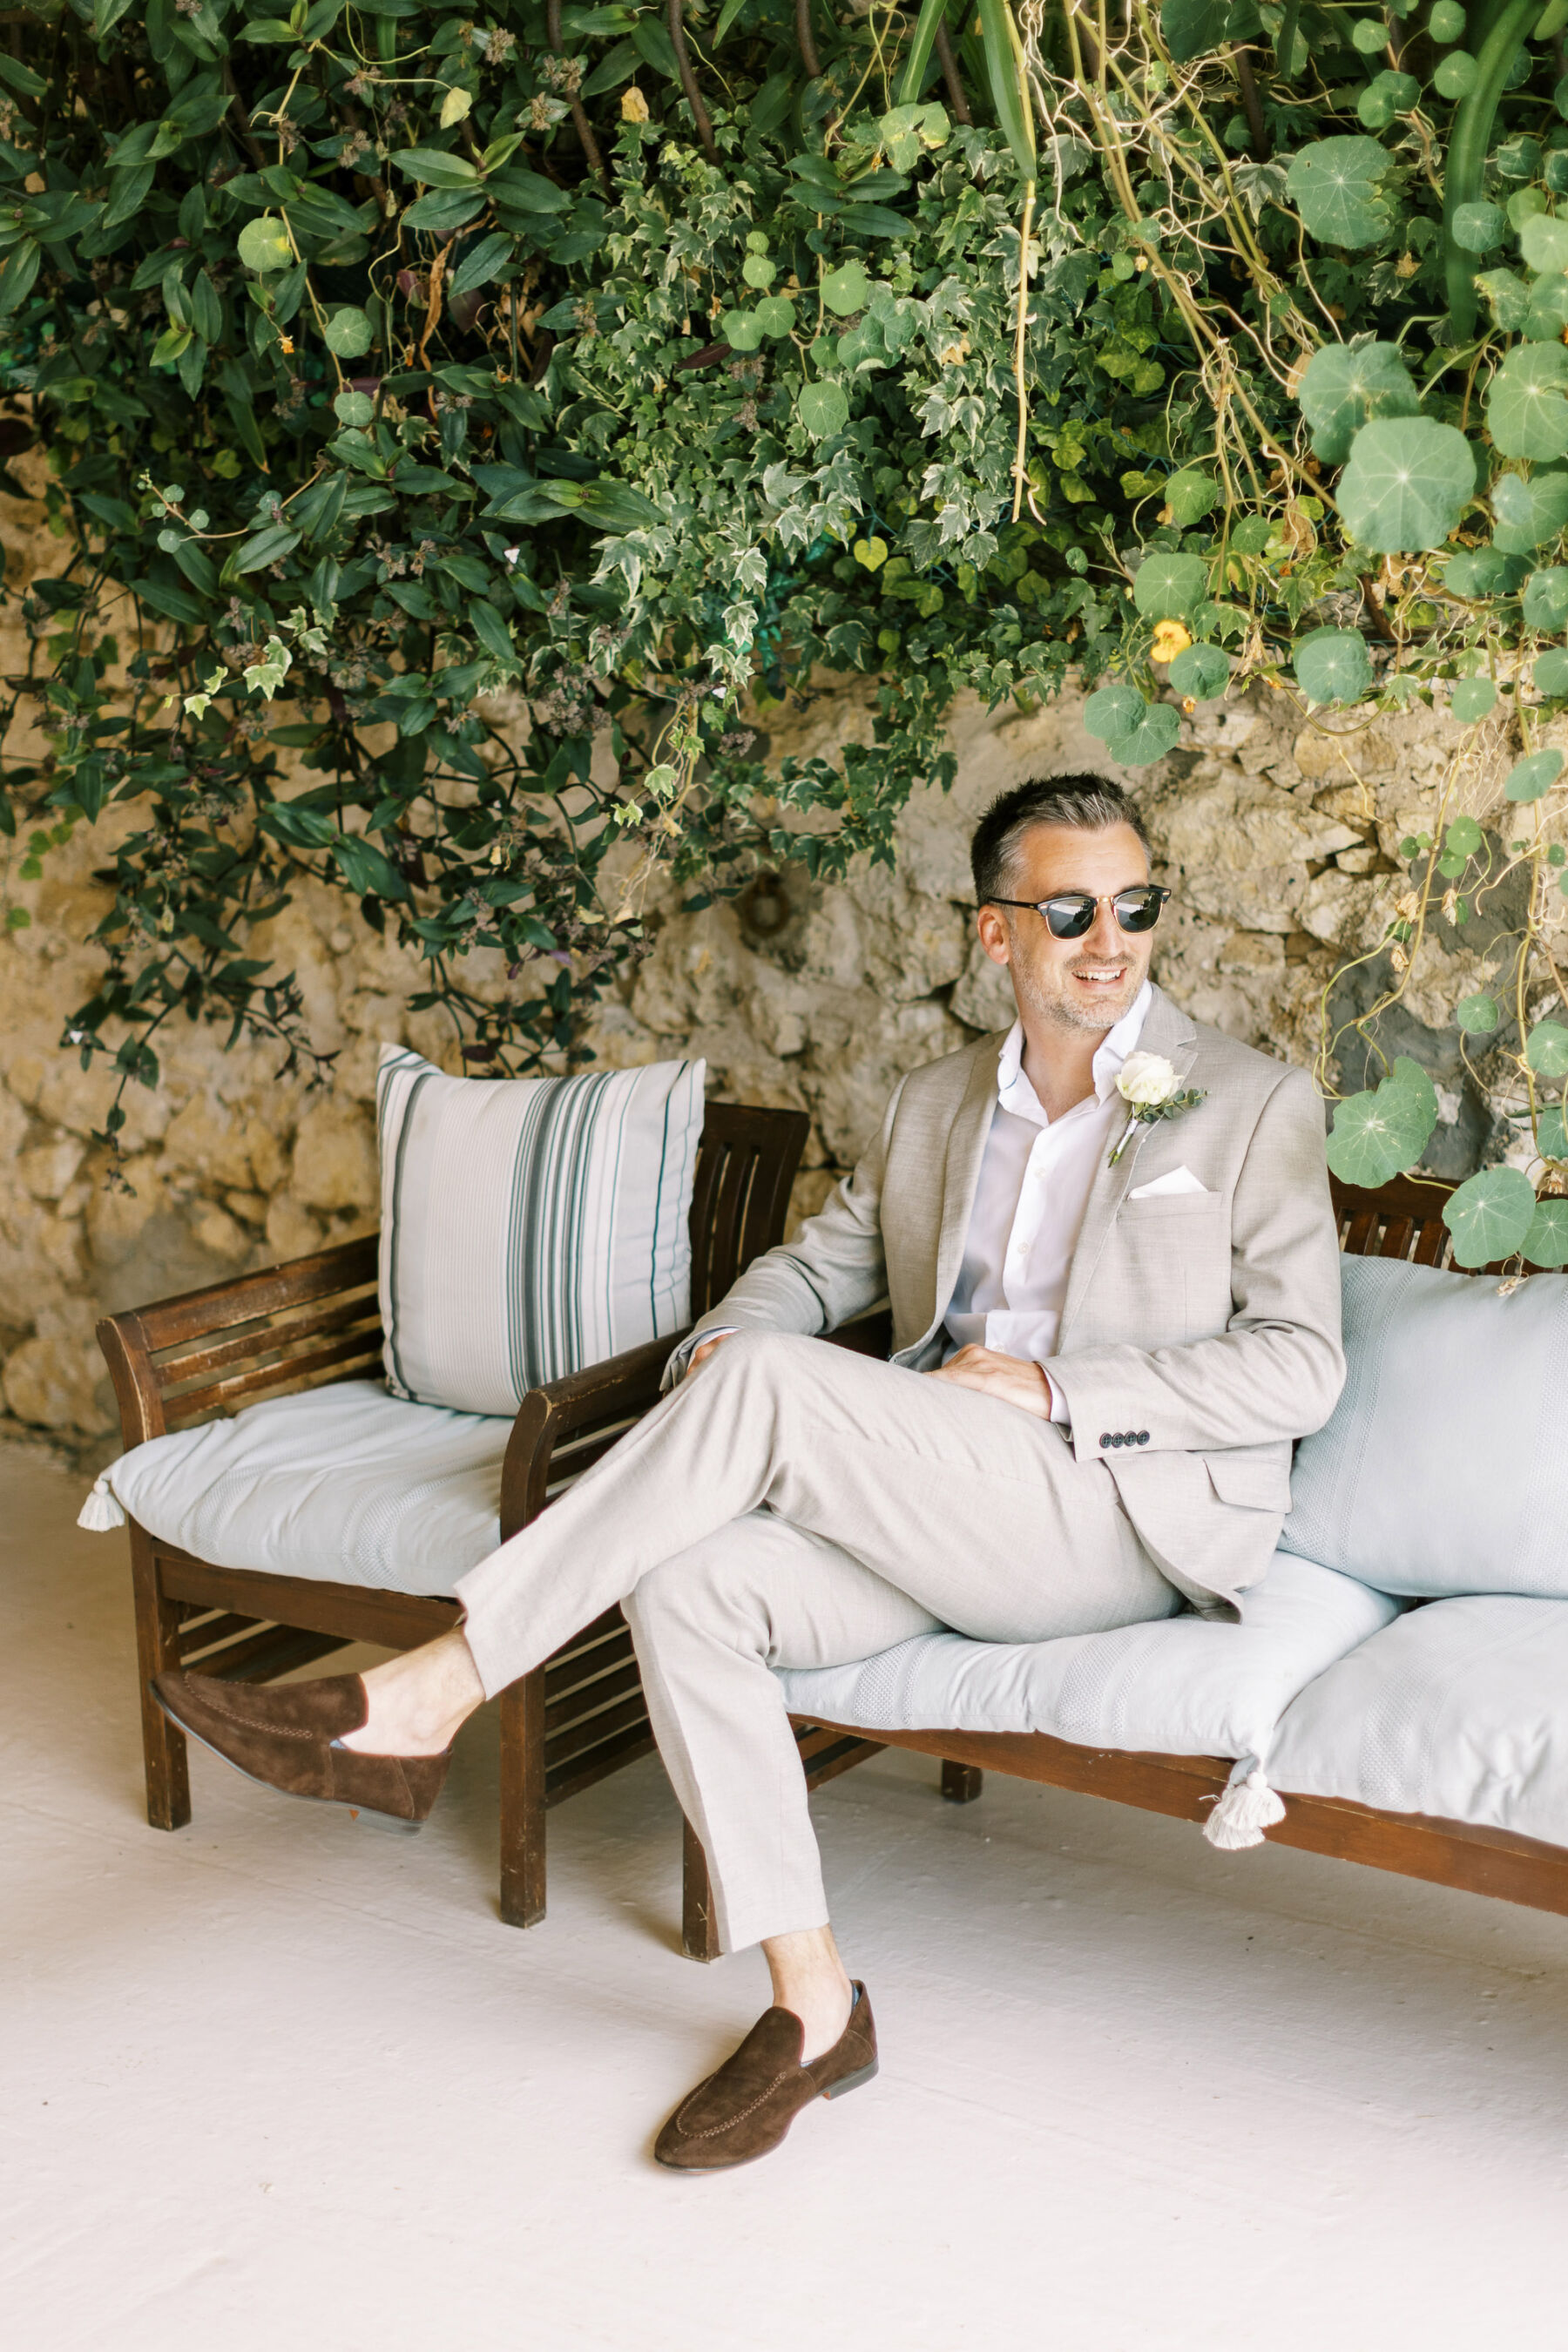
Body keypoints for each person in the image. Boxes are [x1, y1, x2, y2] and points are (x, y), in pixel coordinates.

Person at [152, 774, 1346, 2172]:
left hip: (1113, 1517)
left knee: (776, 1396)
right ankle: (815, 2006)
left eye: (1137, 906)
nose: (1112, 938)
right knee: (696, 1582)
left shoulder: (1249, 1106)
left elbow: (1300, 1367)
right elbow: (807, 1270)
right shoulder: (934, 1105)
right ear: (995, 935)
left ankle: (428, 1694)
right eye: (1071, 908)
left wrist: (1052, 1383)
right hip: (939, 1504)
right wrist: (730, 1344)